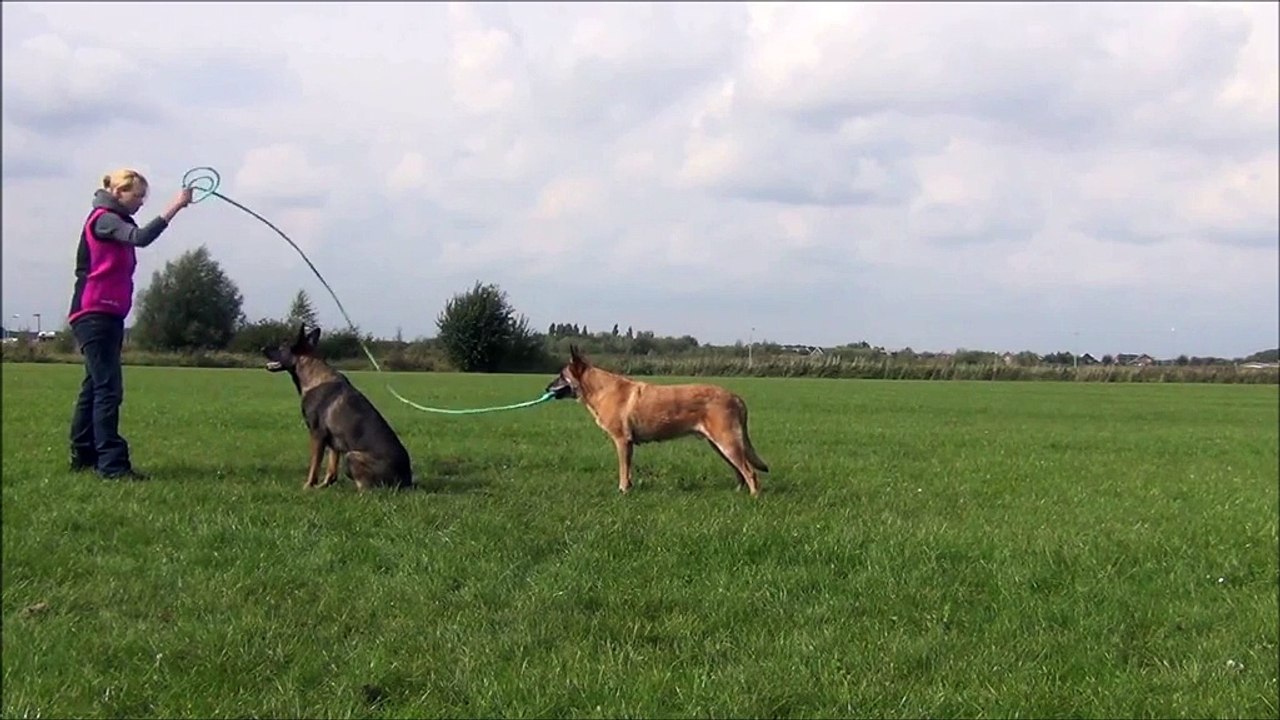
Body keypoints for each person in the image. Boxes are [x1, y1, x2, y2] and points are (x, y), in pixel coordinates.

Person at [67, 168, 194, 480]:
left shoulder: (114, 220)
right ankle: (111, 466)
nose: (140, 203)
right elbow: (141, 239)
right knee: (108, 389)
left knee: (94, 387)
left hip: (105, 314)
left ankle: (84, 454)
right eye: (136, 196)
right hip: (94, 314)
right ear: (117, 192)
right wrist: (176, 206)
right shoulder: (104, 219)